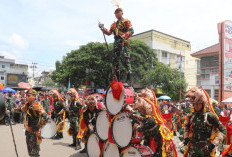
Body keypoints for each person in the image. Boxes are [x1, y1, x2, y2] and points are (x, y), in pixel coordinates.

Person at [184, 87, 226, 157]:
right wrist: (186, 138)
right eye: (194, 104)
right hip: (192, 149)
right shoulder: (191, 116)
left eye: (198, 104)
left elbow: (223, 130)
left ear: (202, 104)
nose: (196, 106)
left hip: (206, 149)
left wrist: (213, 144)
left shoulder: (210, 116)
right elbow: (186, 127)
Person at [99, 7, 134, 83]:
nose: (117, 14)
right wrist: (102, 28)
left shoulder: (126, 21)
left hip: (123, 42)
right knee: (115, 61)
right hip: (116, 43)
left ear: (122, 13)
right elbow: (109, 33)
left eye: (118, 12)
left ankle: (128, 79)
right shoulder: (114, 24)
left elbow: (131, 30)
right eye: (116, 13)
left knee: (125, 59)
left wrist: (124, 36)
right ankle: (116, 78)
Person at [21, 89, 48, 157]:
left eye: (29, 95)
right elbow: (21, 110)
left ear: (34, 96)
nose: (26, 97)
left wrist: (38, 126)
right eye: (26, 95)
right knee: (30, 151)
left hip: (34, 132)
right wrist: (10, 110)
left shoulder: (36, 105)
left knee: (35, 152)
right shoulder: (27, 105)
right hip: (28, 131)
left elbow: (46, 117)